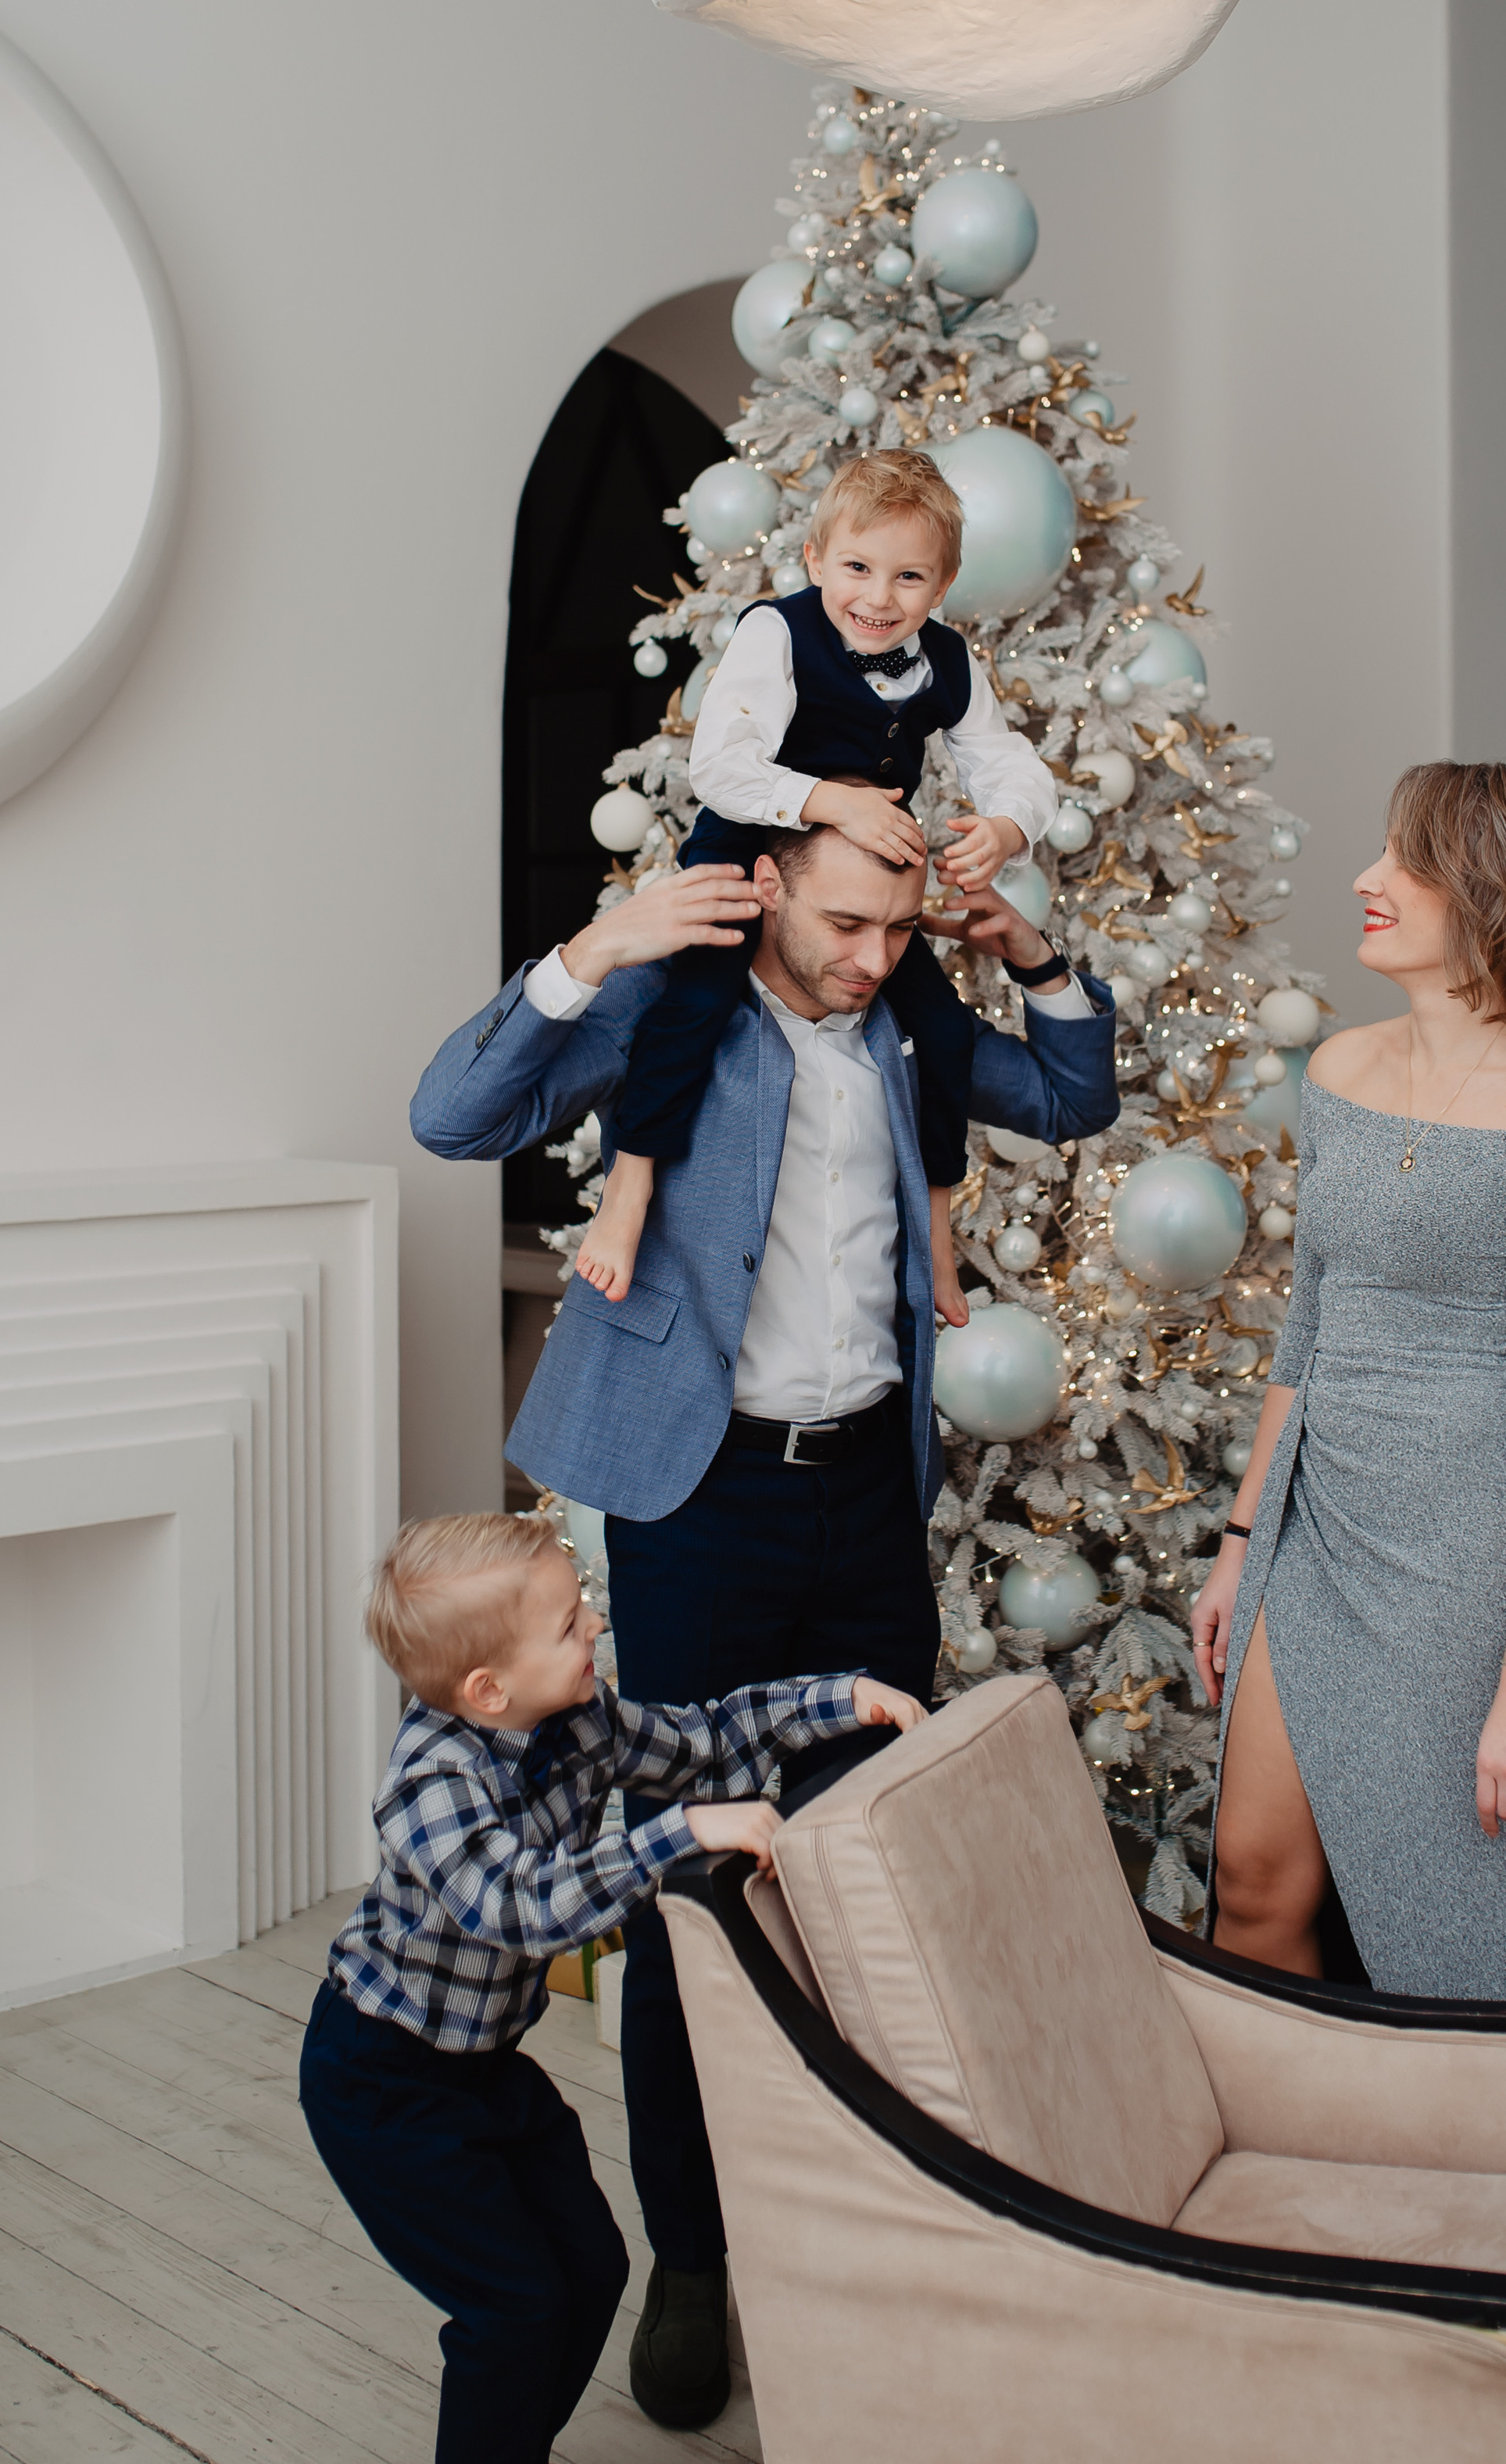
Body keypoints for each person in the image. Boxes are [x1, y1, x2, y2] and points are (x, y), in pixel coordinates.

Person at [411, 821, 1118, 2429]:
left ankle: (856, 2230)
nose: (871, 955)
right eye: (847, 921)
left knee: (860, 1864)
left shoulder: (915, 1021)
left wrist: (1028, 954)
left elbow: (1076, 1097)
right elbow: (453, 1114)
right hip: (700, 1504)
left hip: (867, 1497)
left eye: (896, 926)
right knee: (697, 1889)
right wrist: (595, 947)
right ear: (770, 884)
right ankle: (697, 2254)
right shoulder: (672, 1005)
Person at [299, 1507, 925, 2463]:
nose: (594, 1623)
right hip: (382, 2081)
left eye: (581, 1603)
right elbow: (522, 1908)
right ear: (486, 1686)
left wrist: (840, 1696)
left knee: (592, 2269)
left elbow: (706, 1737)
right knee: (513, 2308)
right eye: (566, 1620)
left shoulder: (577, 1718)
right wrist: (683, 1833)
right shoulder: (429, 1785)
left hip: (480, 2070)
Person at [1190, 760, 1506, 2003]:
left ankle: (1472, 2169)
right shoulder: (1336, 1072)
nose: (1366, 879)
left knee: (1462, 1926)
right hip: (1313, 1527)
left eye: (1404, 860)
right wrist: (1239, 1544)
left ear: (1486, 893)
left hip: (1462, 1566)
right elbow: (1308, 1328)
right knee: (1252, 1878)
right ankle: (1287, 2174)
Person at [573, 449, 1057, 1328]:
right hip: (750, 845)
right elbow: (722, 764)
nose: (879, 598)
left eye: (909, 577)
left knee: (940, 1031)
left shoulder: (946, 661)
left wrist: (1005, 827)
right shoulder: (776, 632)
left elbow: (1009, 764)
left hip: (861, 884)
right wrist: (830, 799)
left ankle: (938, 1235)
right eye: (857, 569)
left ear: (943, 583)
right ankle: (631, 1185)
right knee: (694, 1004)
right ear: (814, 562)